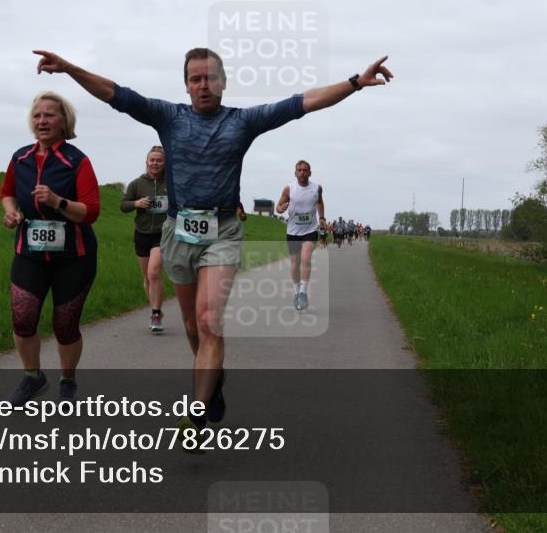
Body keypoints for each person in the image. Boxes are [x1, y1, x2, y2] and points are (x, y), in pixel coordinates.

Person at [33, 47, 392, 442]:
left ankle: (196, 415)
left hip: (222, 229)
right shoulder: (168, 117)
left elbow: (303, 102)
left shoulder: (243, 121)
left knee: (207, 320)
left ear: (223, 82)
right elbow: (114, 93)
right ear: (186, 85)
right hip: (178, 230)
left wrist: (356, 82)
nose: (204, 85)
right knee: (191, 325)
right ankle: (214, 379)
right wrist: (67, 68)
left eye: (211, 78)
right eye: (196, 79)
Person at [0, 91, 100, 405]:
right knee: (23, 316)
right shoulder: (20, 158)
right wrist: (11, 212)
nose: (42, 121)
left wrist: (58, 202)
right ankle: (32, 377)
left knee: (65, 324)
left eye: (50, 115)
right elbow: (7, 192)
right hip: (30, 253)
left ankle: (68, 382)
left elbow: (92, 211)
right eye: (38, 115)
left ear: (63, 121)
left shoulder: (76, 161)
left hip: (75, 257)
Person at [121, 145, 169, 332]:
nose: (155, 163)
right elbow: (123, 205)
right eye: (152, 160)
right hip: (141, 234)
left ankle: (156, 314)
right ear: (147, 162)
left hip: (162, 233)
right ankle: (155, 310)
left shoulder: (170, 183)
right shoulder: (137, 184)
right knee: (147, 277)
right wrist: (136, 203)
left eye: (159, 160)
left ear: (165, 163)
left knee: (154, 272)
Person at [275, 160, 325, 311]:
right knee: (295, 264)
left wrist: (322, 217)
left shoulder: (317, 188)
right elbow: (278, 207)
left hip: (310, 230)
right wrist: (280, 208)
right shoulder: (289, 189)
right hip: (293, 231)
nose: (302, 172)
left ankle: (303, 293)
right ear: (295, 173)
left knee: (306, 258)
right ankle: (297, 291)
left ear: (310, 173)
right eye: (299, 170)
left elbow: (320, 202)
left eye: (305, 170)